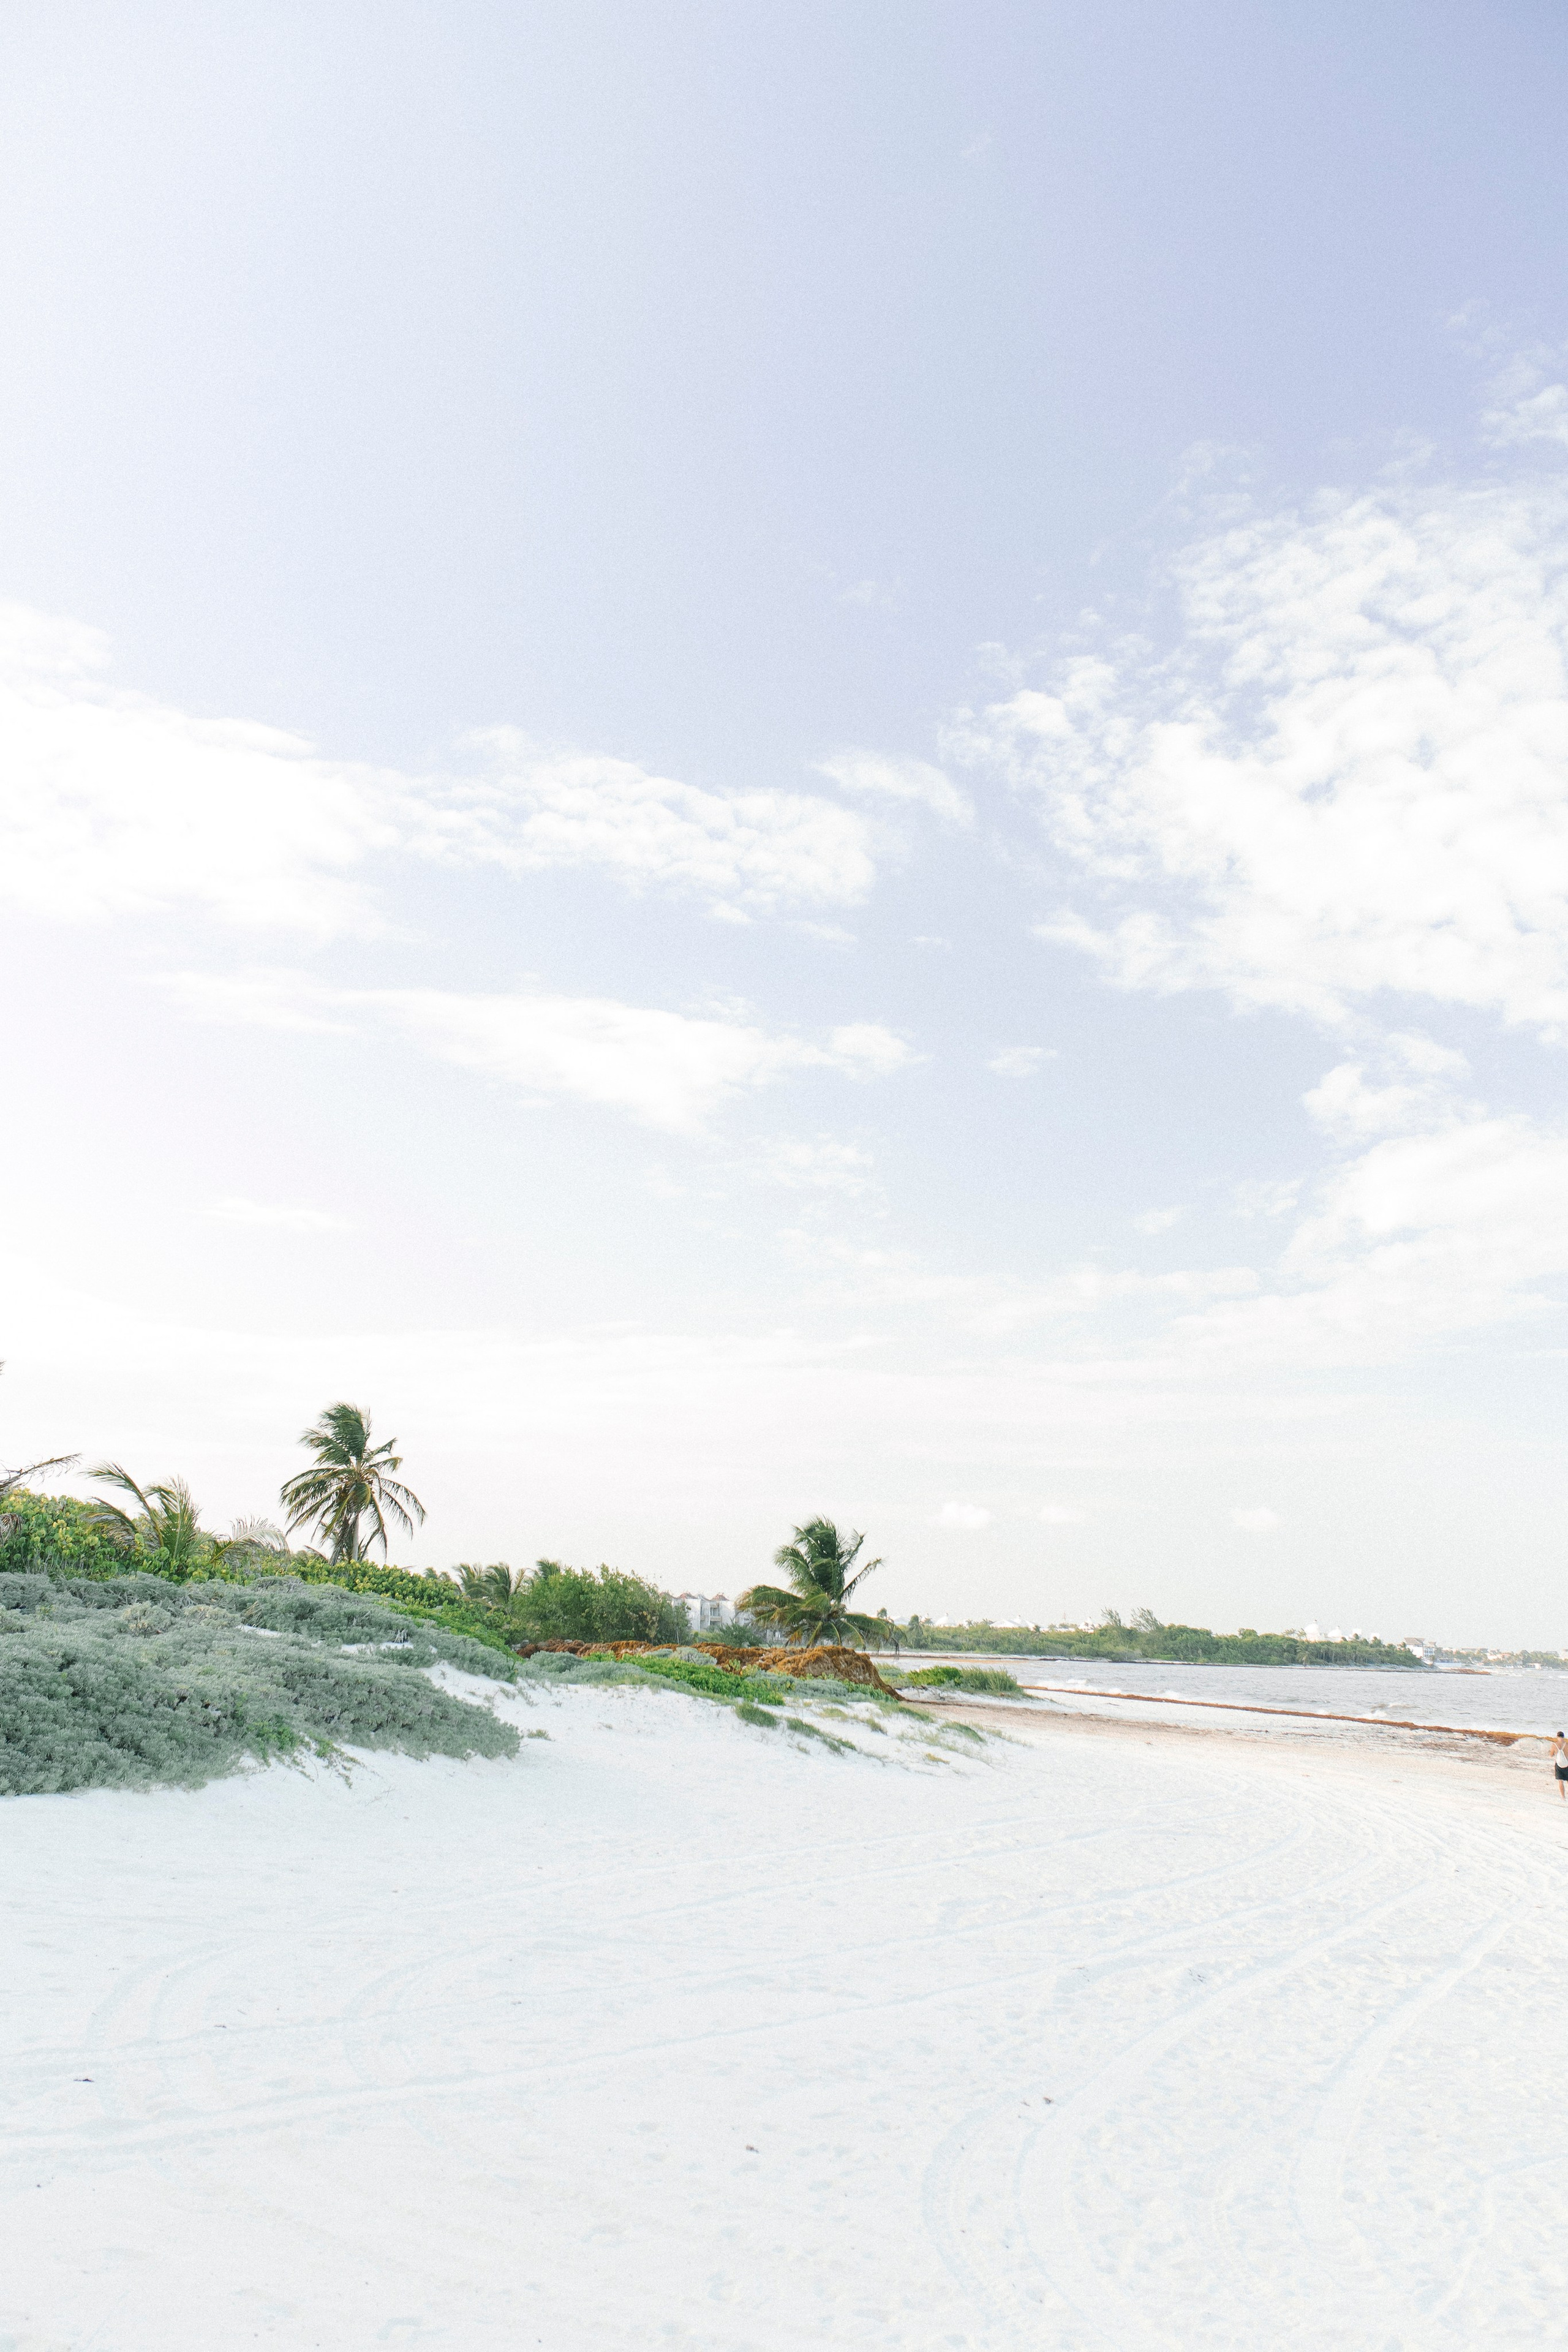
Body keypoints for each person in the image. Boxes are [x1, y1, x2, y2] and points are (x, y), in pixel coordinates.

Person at [1551, 1731, 1568, 1800]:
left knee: (1561, 1782)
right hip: (1566, 1764)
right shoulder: (1566, 1745)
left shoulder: (1554, 1745)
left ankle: (1563, 1797)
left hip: (1559, 1764)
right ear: (1563, 1737)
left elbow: (1551, 1755)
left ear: (1557, 1737)